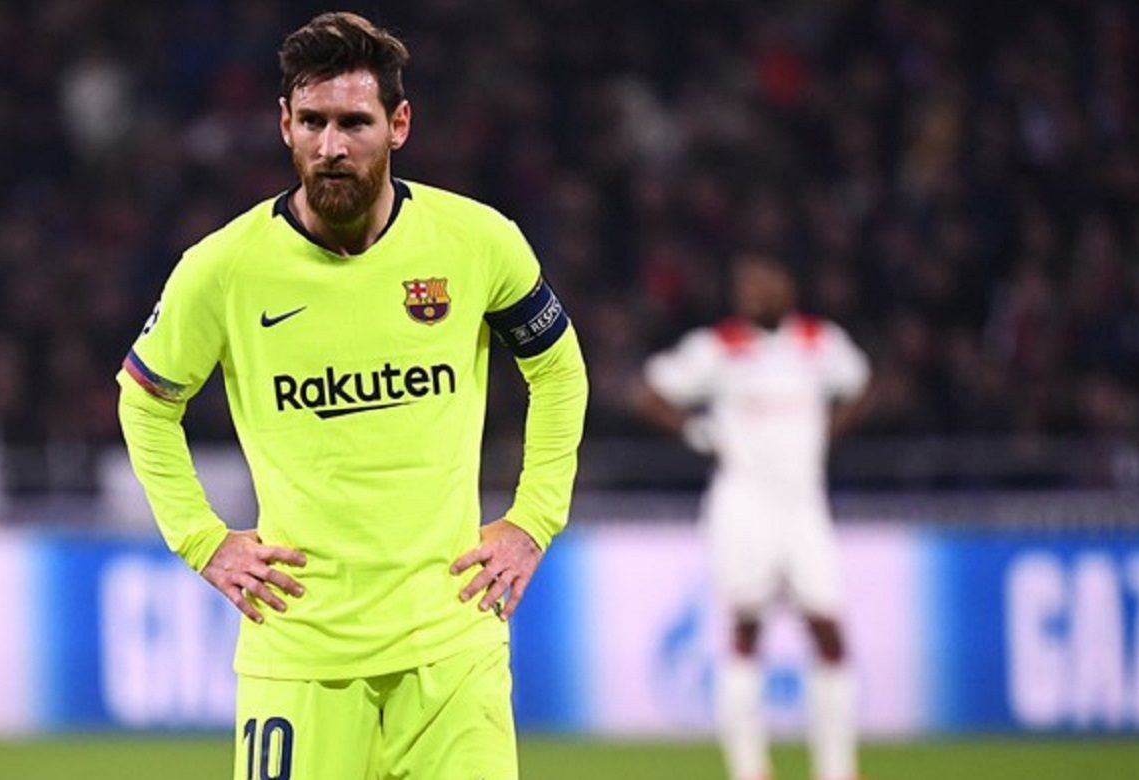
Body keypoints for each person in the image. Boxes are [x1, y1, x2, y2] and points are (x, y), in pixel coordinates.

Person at [116, 12, 587, 779]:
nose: (331, 146)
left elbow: (560, 370)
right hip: (300, 655)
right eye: (313, 122)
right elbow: (144, 401)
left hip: (452, 654)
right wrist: (202, 540)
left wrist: (534, 520)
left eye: (354, 123)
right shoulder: (222, 269)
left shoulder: (477, 241)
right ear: (285, 125)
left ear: (399, 124)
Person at [635, 255, 871, 780]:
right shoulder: (719, 348)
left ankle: (837, 769)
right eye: (745, 287)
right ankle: (749, 769)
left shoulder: (818, 343)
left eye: (763, 285)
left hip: (803, 505)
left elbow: (864, 385)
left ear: (788, 288)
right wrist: (696, 432)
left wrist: (830, 430)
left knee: (828, 627)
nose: (753, 295)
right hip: (743, 504)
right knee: (746, 627)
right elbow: (649, 392)